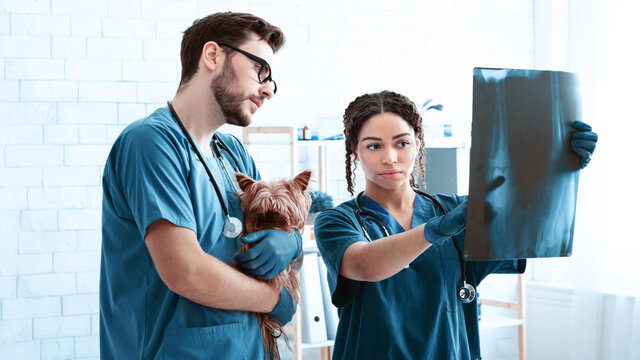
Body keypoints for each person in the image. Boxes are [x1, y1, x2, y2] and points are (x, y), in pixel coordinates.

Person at [313, 90, 598, 359]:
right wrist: (437, 229)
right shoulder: (337, 221)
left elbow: (532, 228)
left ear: (418, 146)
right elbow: (363, 264)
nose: (390, 157)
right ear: (354, 152)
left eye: (402, 143)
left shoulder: (457, 211)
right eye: (374, 146)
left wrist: (559, 172)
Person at [100, 12, 302, 359]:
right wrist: (275, 299)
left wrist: (292, 241)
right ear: (213, 55)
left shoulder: (233, 152)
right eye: (260, 70)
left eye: (272, 80)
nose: (268, 89)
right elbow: (186, 272)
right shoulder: (150, 143)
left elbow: (272, 228)